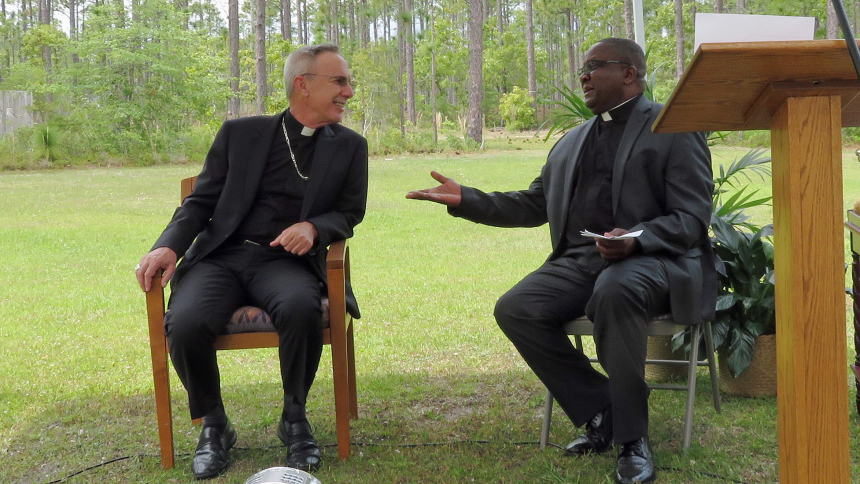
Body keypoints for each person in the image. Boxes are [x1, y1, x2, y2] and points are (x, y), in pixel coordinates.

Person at [407, 38, 715, 484]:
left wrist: (634, 239)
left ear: (630, 73)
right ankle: (603, 406)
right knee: (517, 308)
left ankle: (633, 440)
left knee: (617, 287)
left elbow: (691, 219)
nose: (584, 77)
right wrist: (466, 199)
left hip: (654, 262)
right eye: (583, 70)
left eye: (594, 67)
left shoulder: (672, 128)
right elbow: (535, 204)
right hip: (580, 262)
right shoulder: (573, 140)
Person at [135, 44, 368, 480]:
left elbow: (350, 212)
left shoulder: (351, 146)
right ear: (303, 85)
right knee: (185, 321)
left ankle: (294, 419)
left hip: (284, 263)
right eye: (340, 82)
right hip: (220, 258)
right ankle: (215, 425)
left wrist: (315, 227)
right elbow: (200, 202)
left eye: (347, 83)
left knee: (300, 309)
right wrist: (167, 246)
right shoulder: (241, 134)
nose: (348, 92)